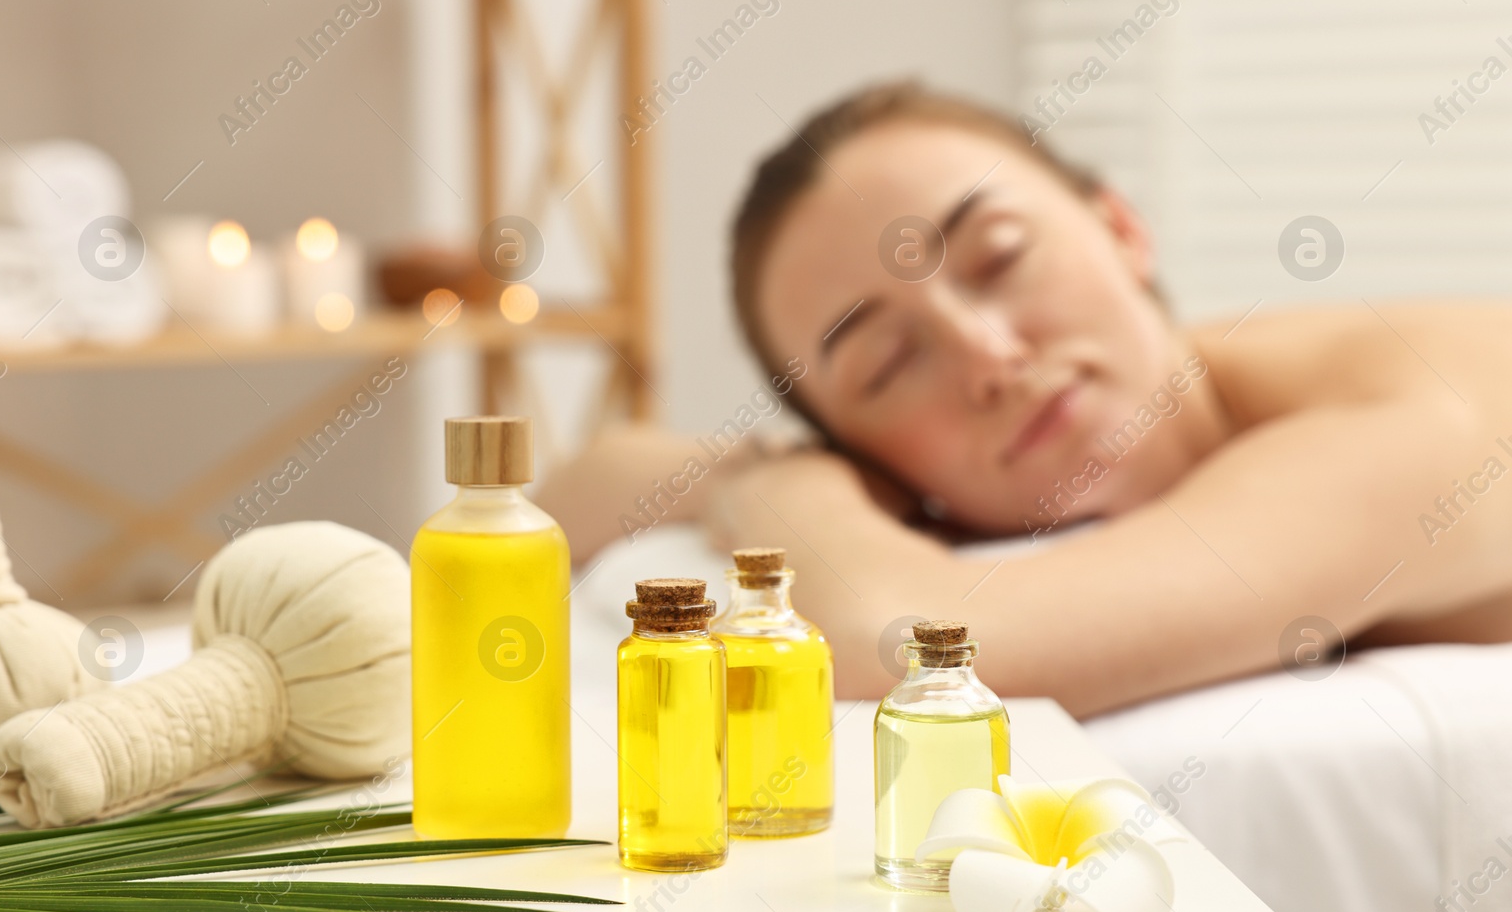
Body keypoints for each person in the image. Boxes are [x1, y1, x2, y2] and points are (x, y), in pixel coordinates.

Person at [537, 81, 1512, 715]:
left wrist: (772, 503)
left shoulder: (1419, 408)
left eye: (1000, 258)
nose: (986, 354)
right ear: (875, 457)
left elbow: (904, 648)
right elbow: (576, 490)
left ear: (1121, 228)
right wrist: (761, 472)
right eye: (885, 364)